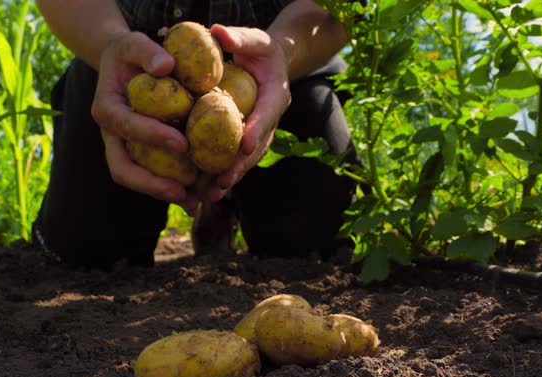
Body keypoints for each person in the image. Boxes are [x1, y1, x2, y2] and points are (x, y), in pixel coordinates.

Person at [33, 0, 357, 268]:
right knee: (83, 254)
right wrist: (108, 44)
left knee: (317, 247)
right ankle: (211, 200)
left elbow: (343, 10)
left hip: (287, 64)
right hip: (122, 64)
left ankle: (225, 202)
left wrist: (285, 53)